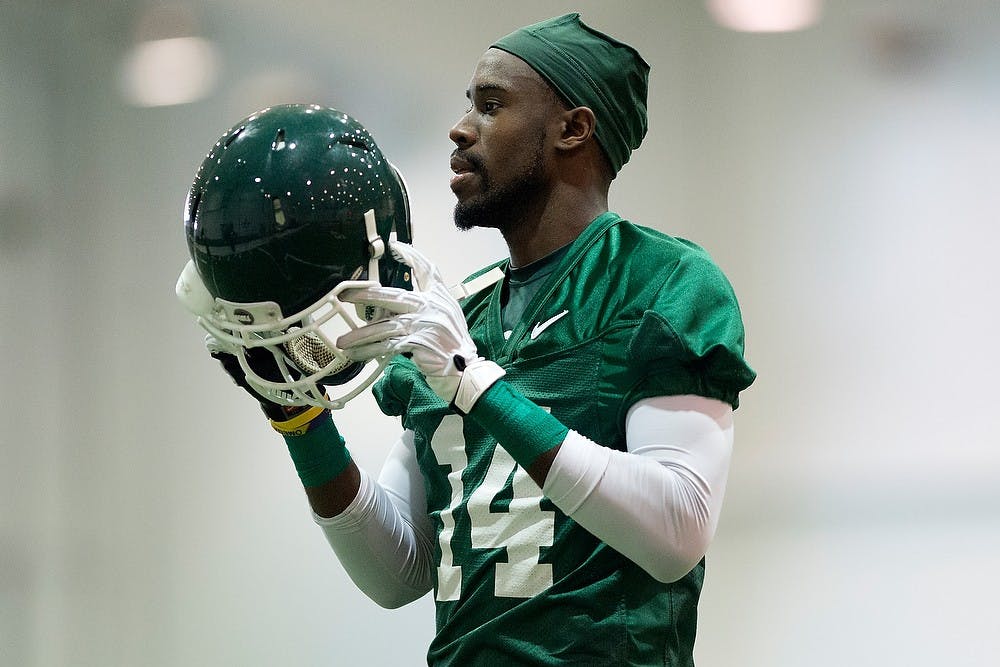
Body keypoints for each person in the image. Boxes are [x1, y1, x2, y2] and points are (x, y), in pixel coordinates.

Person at [178, 13, 755, 667]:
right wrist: (301, 419)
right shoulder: (460, 313)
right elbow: (400, 570)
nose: (461, 128)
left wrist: (473, 381)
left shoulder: (661, 280)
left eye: (490, 105)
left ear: (572, 128)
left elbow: (676, 529)